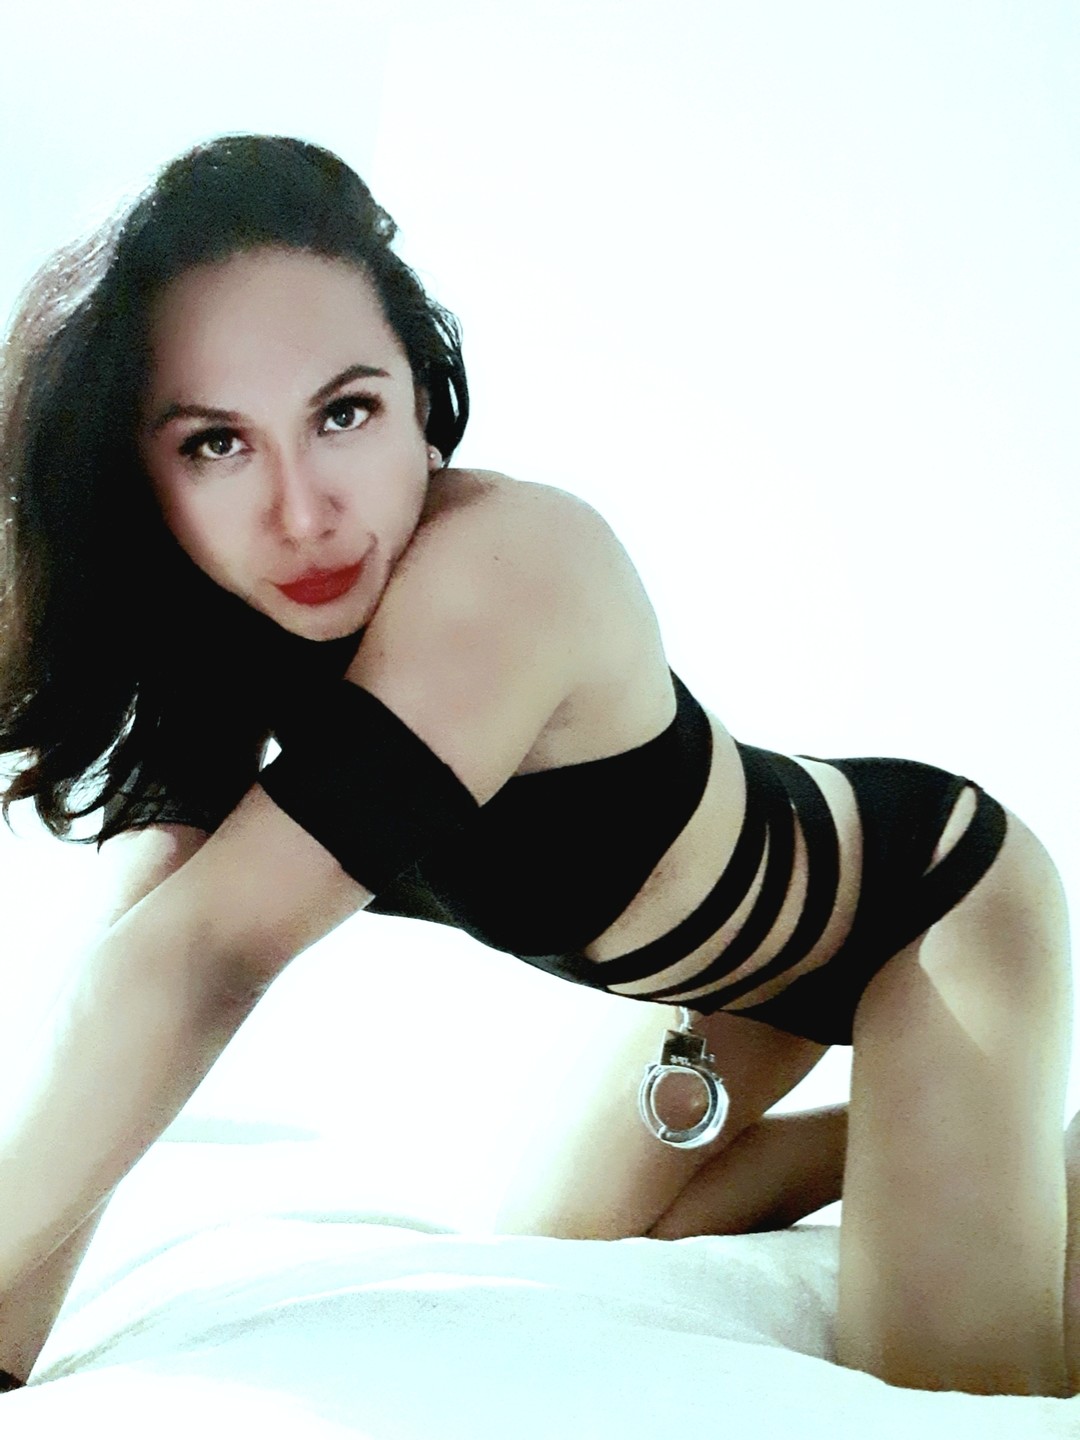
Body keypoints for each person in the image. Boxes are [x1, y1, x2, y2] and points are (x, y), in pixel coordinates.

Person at [0, 133, 1075, 1399]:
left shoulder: (505, 572)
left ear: (421, 397)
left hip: (925, 914)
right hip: (713, 991)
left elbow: (206, 960)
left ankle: (990, 1140)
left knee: (950, 1385)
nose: (303, 512)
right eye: (216, 444)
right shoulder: (222, 634)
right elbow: (133, 973)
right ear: (142, 468)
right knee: (549, 1236)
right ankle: (933, 1143)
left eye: (344, 413)